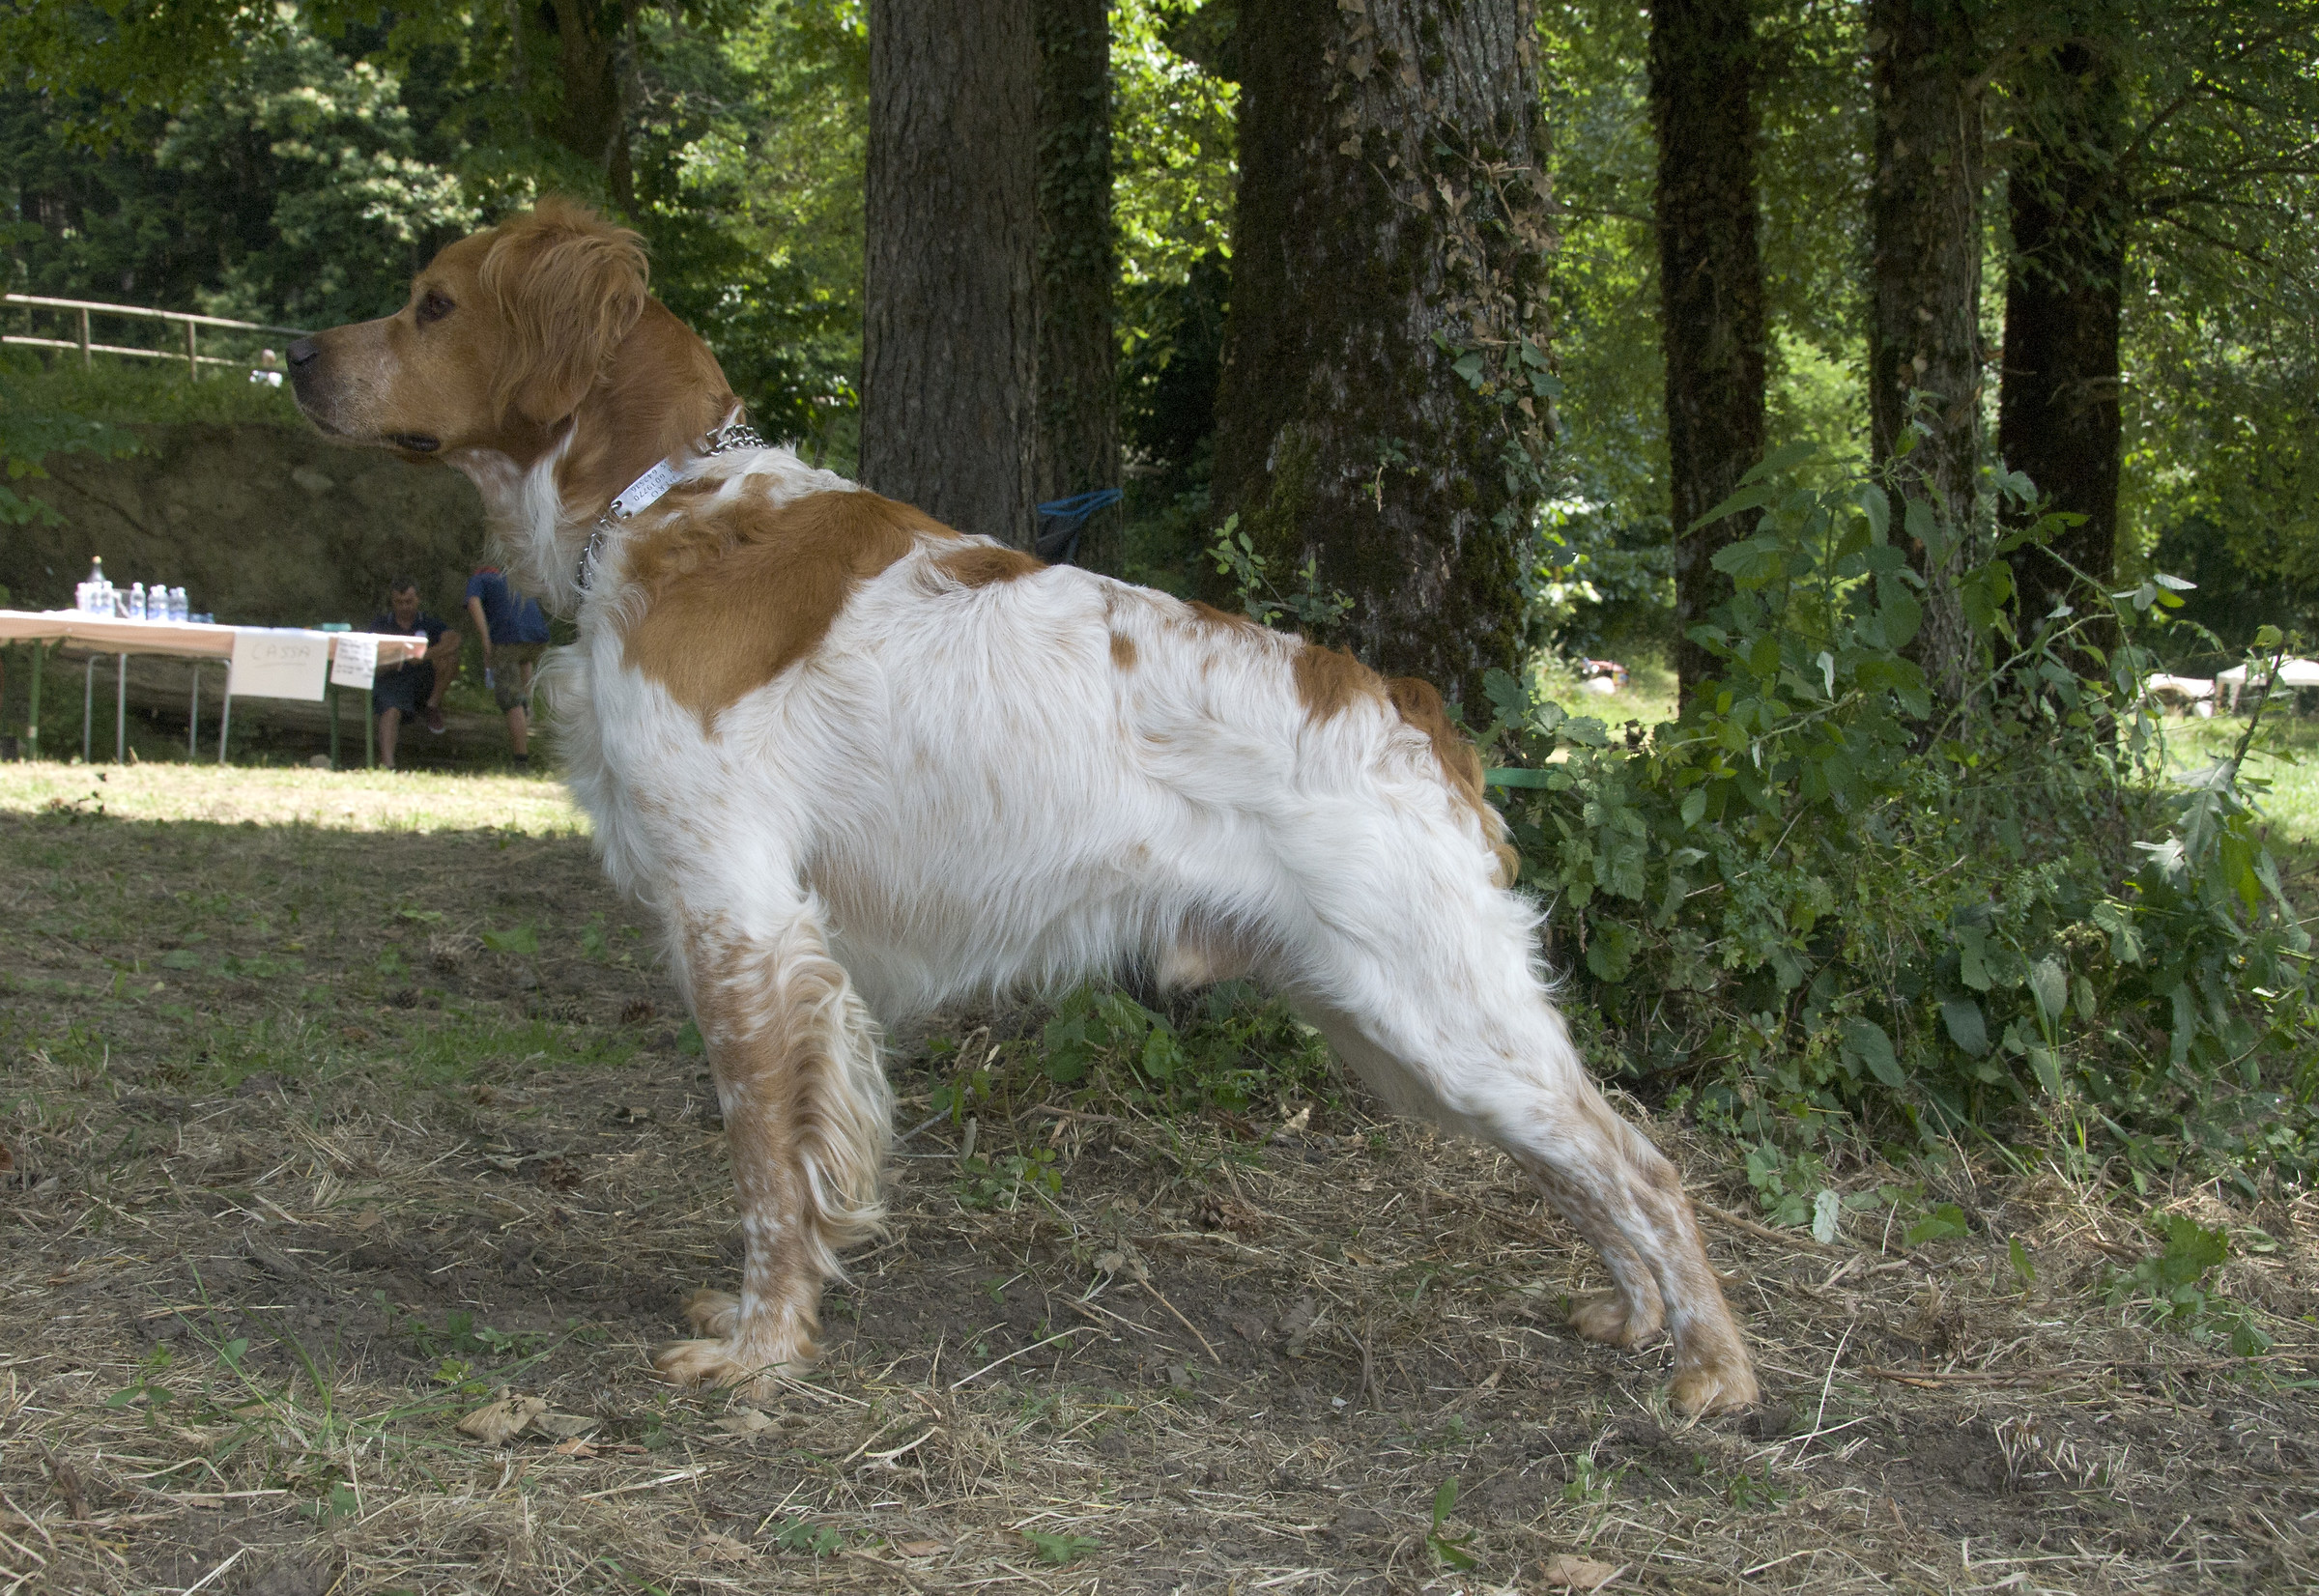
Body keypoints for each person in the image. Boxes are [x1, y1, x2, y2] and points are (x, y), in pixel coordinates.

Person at [465, 564, 551, 769]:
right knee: (523, 662)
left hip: (506, 639)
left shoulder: (479, 580)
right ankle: (527, 706)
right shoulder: (513, 578)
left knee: (510, 700)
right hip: (537, 638)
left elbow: (473, 602)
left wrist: (486, 642)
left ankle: (521, 760)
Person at [369, 577, 460, 770]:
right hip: (392, 681)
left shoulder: (427, 622)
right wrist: (393, 661)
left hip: (424, 680)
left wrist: (425, 655)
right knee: (391, 709)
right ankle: (388, 765)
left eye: (409, 601)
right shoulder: (381, 625)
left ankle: (432, 706)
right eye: (399, 602)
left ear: (418, 600)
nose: (404, 607)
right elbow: (367, 660)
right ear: (392, 602)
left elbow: (453, 640)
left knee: (450, 659)